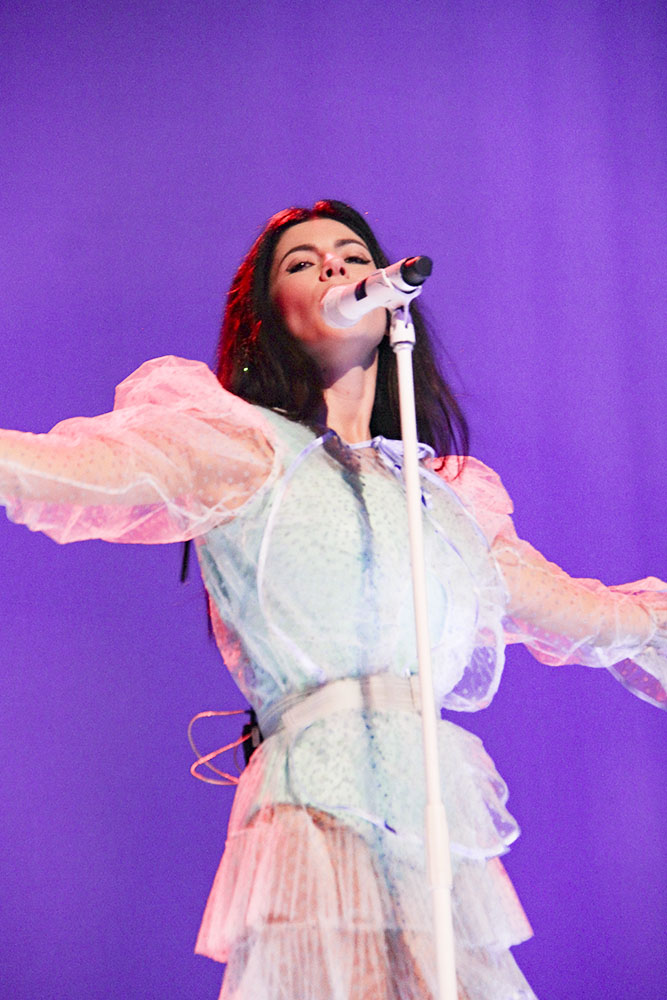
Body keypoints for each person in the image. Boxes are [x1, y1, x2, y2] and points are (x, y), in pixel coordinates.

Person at [0, 199, 664, 1000]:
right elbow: (66, 469)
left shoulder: (446, 503)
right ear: (266, 316)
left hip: (428, 814)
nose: (334, 267)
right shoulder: (240, 446)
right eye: (300, 261)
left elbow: (580, 612)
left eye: (352, 254)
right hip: (314, 807)